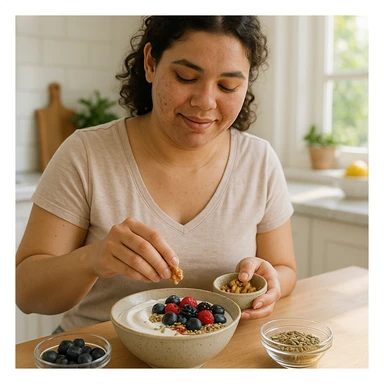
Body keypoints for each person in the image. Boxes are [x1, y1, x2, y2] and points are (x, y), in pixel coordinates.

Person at [16, 16, 296, 333]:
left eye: (227, 85)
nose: (205, 102)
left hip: (216, 354)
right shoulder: (86, 154)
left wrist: (269, 281)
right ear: (150, 63)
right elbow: (26, 293)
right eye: (186, 77)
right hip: (100, 356)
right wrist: (94, 259)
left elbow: (284, 269)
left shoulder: (259, 160)